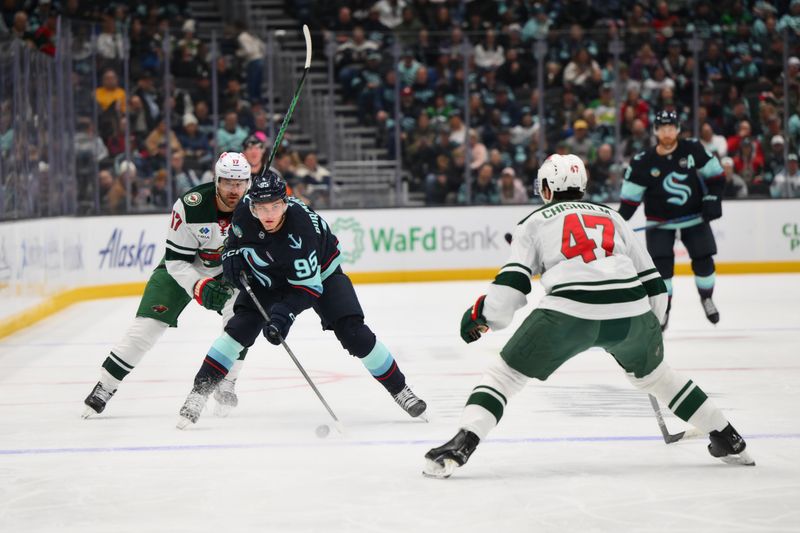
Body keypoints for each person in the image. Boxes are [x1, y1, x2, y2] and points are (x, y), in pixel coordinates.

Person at [423, 154, 753, 479]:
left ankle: (462, 444)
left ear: (547, 188)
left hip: (568, 312)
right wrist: (649, 328)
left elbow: (510, 291)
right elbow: (654, 281)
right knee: (659, 378)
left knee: (504, 377)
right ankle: (729, 437)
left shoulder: (534, 221)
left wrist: (481, 315)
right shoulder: (613, 217)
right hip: (633, 310)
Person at [176, 169, 427, 427]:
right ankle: (198, 393)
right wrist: (230, 257)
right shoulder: (242, 211)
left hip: (321, 275)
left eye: (275, 206)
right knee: (238, 330)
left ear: (285, 203)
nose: (269, 214)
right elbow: (234, 241)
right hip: (268, 275)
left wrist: (284, 316)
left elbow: (308, 289)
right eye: (262, 208)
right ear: (252, 207)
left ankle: (400, 390)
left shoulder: (301, 232)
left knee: (353, 332)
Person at [83, 153, 253, 419]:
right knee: (145, 329)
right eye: (228, 182)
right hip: (183, 268)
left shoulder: (256, 208)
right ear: (217, 180)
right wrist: (199, 286)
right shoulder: (190, 206)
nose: (235, 190)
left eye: (240, 183)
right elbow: (176, 262)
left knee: (242, 320)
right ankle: (106, 385)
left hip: (228, 269)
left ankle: (228, 381)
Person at [618, 110, 725, 330]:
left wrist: (712, 199)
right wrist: (618, 222)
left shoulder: (693, 149)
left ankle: (707, 298)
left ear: (677, 129)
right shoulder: (643, 162)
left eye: (671, 127)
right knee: (661, 269)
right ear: (656, 131)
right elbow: (629, 201)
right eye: (662, 128)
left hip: (694, 218)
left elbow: (716, 176)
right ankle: (664, 309)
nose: (667, 132)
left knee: (704, 261)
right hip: (659, 222)